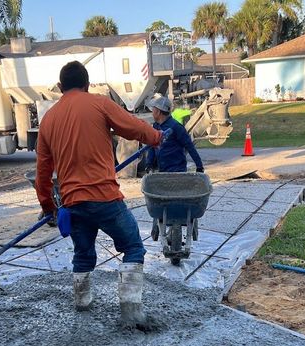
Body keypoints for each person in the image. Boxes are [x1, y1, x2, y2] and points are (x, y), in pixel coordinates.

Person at [35, 61, 163, 329]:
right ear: (87, 84)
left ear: (60, 87)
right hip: (104, 198)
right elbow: (132, 127)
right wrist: (155, 137)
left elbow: (42, 174)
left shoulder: (48, 120)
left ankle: (82, 303)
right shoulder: (99, 103)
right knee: (133, 247)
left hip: (73, 203)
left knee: (82, 255)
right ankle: (130, 311)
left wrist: (49, 207)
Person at [143, 94, 204, 174]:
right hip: (162, 171)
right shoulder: (155, 126)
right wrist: (149, 164)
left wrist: (199, 166)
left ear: (158, 112)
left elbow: (189, 146)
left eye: (153, 110)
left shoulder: (176, 127)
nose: (152, 112)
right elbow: (152, 147)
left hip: (177, 172)